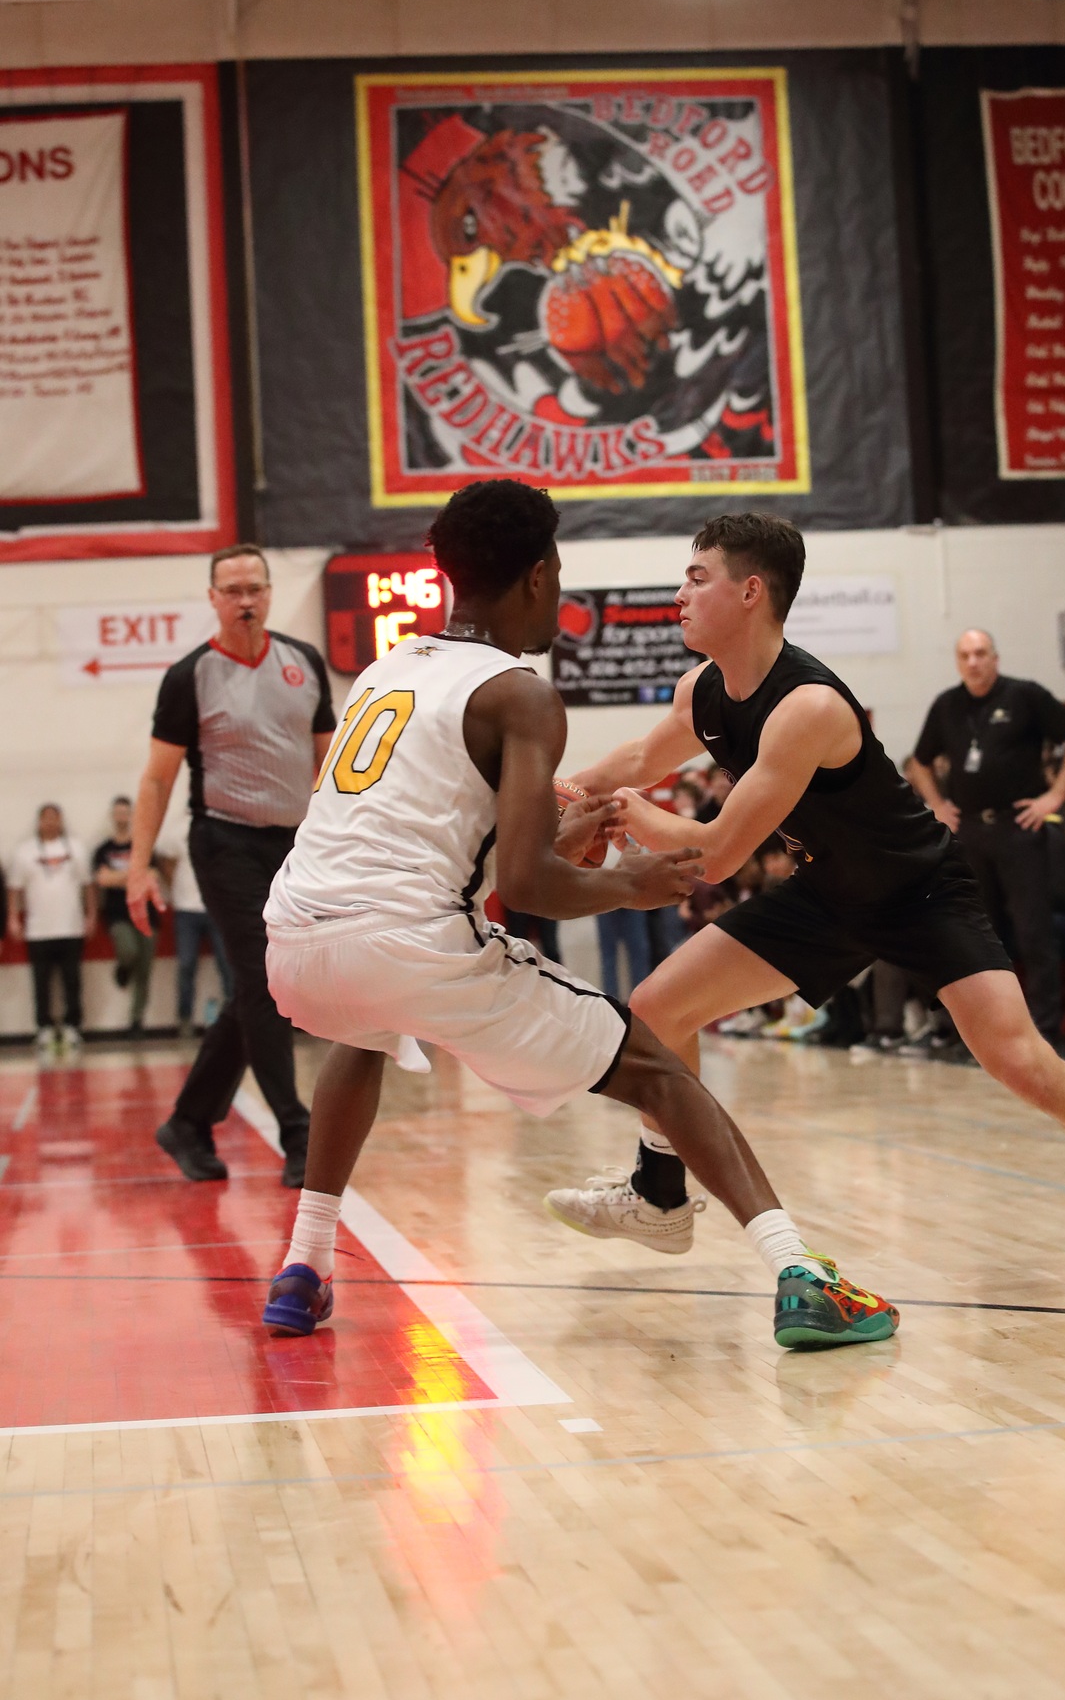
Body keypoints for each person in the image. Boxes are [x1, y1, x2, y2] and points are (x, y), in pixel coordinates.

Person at [260, 481, 896, 1351]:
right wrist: (628, 884)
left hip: (296, 938)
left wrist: (558, 836)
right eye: (556, 573)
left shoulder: (386, 670)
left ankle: (302, 1267)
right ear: (535, 576)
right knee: (657, 1066)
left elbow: (434, 837)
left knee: (361, 1032)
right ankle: (799, 1273)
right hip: (409, 943)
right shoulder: (519, 693)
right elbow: (529, 888)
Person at [547, 512, 1065, 1276]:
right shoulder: (703, 690)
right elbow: (640, 757)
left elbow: (715, 855)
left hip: (919, 892)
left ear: (749, 592)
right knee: (655, 1007)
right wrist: (562, 791)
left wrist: (626, 814)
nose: (678, 595)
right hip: (827, 891)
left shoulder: (807, 705)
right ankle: (659, 1196)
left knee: (1021, 1063)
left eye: (695, 578)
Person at [126, 544, 336, 1187]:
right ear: (213, 599)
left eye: (255, 588)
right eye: (233, 591)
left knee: (260, 988)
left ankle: (188, 1122)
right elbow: (157, 780)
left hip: (294, 847)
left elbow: (331, 762)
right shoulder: (189, 676)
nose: (246, 601)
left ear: (269, 593)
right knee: (267, 985)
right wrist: (139, 867)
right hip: (224, 843)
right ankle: (297, 1134)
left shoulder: (304, 661)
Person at [902, 630, 1065, 1051]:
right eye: (965, 655)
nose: (973, 662)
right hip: (970, 830)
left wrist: (1056, 795)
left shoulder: (1025, 695)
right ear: (958, 662)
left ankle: (1046, 1034)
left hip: (1018, 826)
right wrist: (938, 805)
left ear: (995, 658)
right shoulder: (947, 705)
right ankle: (986, 1035)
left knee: (1034, 932)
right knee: (978, 936)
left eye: (980, 654)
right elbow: (919, 761)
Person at [7, 805, 95, 1056]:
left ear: (60, 820)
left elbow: (88, 885)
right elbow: (14, 888)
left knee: (72, 980)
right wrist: (13, 918)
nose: (50, 823)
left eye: (54, 818)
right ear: (39, 822)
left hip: (71, 927)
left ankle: (73, 1026)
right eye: (45, 819)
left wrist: (91, 915)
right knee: (41, 982)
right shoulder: (25, 851)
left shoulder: (76, 848)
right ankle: (43, 1027)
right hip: (38, 929)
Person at [156, 828, 233, 1035]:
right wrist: (175, 887)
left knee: (227, 965)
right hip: (186, 910)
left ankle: (235, 1016)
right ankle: (185, 1018)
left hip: (217, 908)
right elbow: (164, 860)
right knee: (186, 965)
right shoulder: (178, 830)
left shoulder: (221, 827)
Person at [94, 796, 159, 1036]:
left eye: (125, 812)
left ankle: (136, 1020)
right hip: (117, 914)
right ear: (113, 816)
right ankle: (122, 969)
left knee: (144, 971)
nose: (122, 816)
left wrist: (119, 877)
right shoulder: (103, 850)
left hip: (147, 915)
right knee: (129, 951)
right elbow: (102, 879)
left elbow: (151, 876)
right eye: (118, 812)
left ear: (131, 815)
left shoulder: (143, 846)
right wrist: (134, 875)